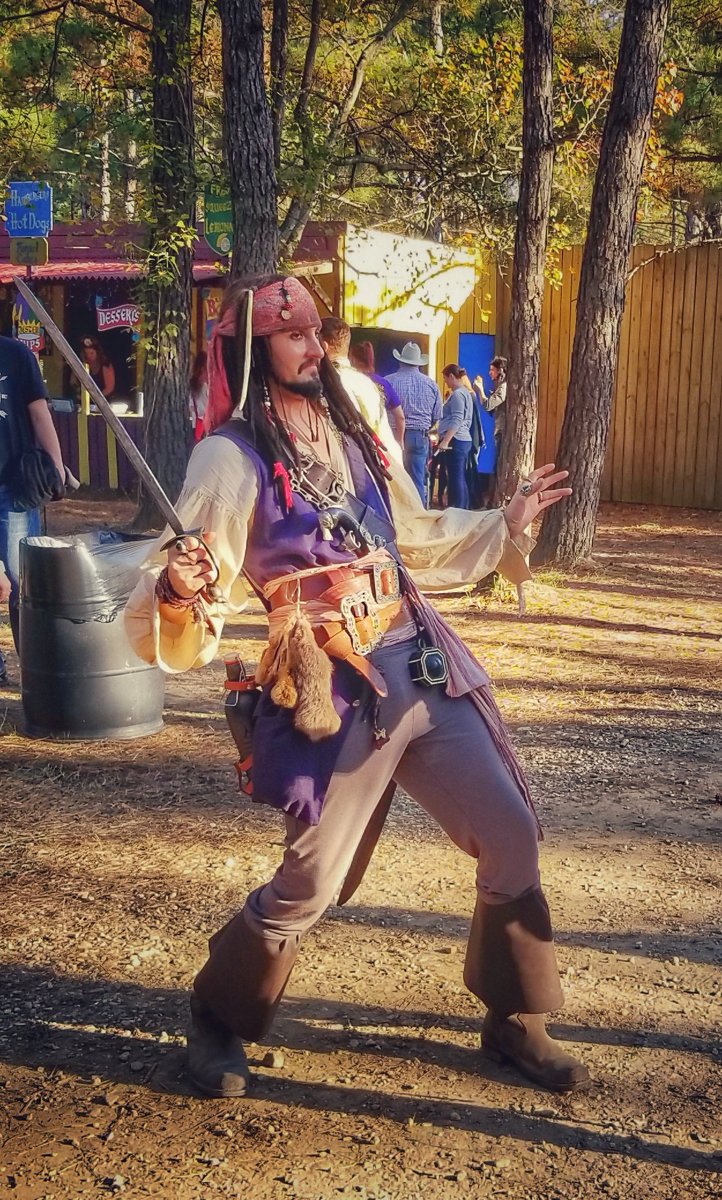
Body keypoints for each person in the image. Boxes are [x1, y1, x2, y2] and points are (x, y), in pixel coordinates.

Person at [124, 273, 588, 1102]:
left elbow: (410, 534)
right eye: (293, 333)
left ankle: (514, 1017)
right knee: (310, 882)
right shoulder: (228, 456)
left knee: (512, 831)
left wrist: (502, 523)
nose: (315, 346)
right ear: (253, 350)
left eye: (317, 330)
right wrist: (180, 587)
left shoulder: (351, 429)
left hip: (420, 660)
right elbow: (190, 580)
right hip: (326, 685)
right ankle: (216, 1015)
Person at [0, 335, 65, 681]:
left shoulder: (15, 354)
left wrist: (56, 467)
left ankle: (34, 671)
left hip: (15, 486)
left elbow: (39, 414)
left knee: (22, 581)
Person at [319, 318, 400, 462]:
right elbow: (384, 431)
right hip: (379, 458)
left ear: (323, 346)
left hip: (349, 463)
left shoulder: (325, 383)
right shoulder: (366, 382)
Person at [385, 342, 442, 506]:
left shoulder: (388, 381)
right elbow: (437, 415)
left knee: (393, 478)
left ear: (400, 361)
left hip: (393, 434)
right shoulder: (431, 384)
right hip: (419, 435)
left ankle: (396, 511)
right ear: (418, 363)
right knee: (417, 479)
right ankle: (419, 512)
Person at [348, 340, 405, 446]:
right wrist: (400, 441)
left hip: (354, 439)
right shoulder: (383, 383)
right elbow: (400, 417)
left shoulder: (347, 380)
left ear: (353, 359)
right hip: (379, 440)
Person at [436, 365, 475, 509]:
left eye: (445, 378)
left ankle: (458, 508)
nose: (445, 382)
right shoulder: (465, 393)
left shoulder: (458, 395)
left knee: (455, 477)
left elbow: (457, 418)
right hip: (462, 440)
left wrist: (446, 440)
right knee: (458, 475)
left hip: (456, 440)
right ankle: (462, 507)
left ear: (451, 376)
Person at [474, 355, 507, 458]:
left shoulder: (503, 387)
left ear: (500, 370)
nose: (489, 372)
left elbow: (488, 406)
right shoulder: (500, 386)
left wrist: (480, 389)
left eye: (492, 370)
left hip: (503, 432)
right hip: (500, 431)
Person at [189, 350, 209, 443]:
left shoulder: (192, 384)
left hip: (195, 424)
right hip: (204, 425)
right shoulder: (204, 386)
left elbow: (191, 406)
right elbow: (207, 407)